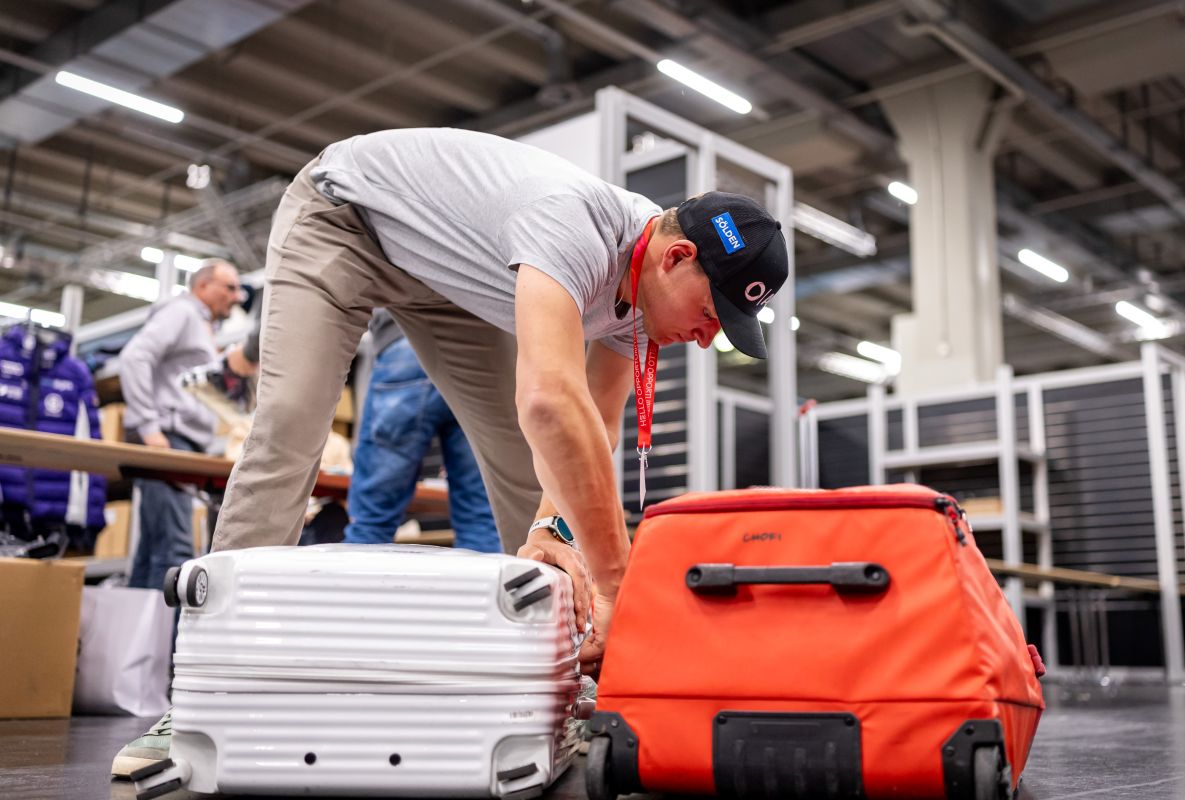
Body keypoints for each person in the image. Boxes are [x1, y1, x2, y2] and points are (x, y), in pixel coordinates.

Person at [112, 128, 786, 777]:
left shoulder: (645, 293)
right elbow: (549, 397)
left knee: (539, 486)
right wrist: (615, 587)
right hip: (346, 219)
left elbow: (593, 424)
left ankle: (555, 693)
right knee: (288, 429)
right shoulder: (573, 224)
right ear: (676, 259)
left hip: (447, 280)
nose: (706, 338)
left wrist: (555, 529)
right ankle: (204, 702)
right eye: (712, 313)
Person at [118, 259, 242, 592]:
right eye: (229, 287)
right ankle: (170, 645)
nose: (238, 296)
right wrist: (150, 427)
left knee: (152, 552)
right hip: (169, 440)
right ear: (202, 286)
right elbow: (134, 357)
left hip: (181, 441)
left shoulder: (202, 324)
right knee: (176, 553)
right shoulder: (182, 312)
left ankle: (138, 643)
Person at [344, 310, 501, 552]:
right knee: (480, 521)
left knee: (371, 523)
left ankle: (347, 588)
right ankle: (480, 591)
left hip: (403, 339)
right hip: (477, 351)